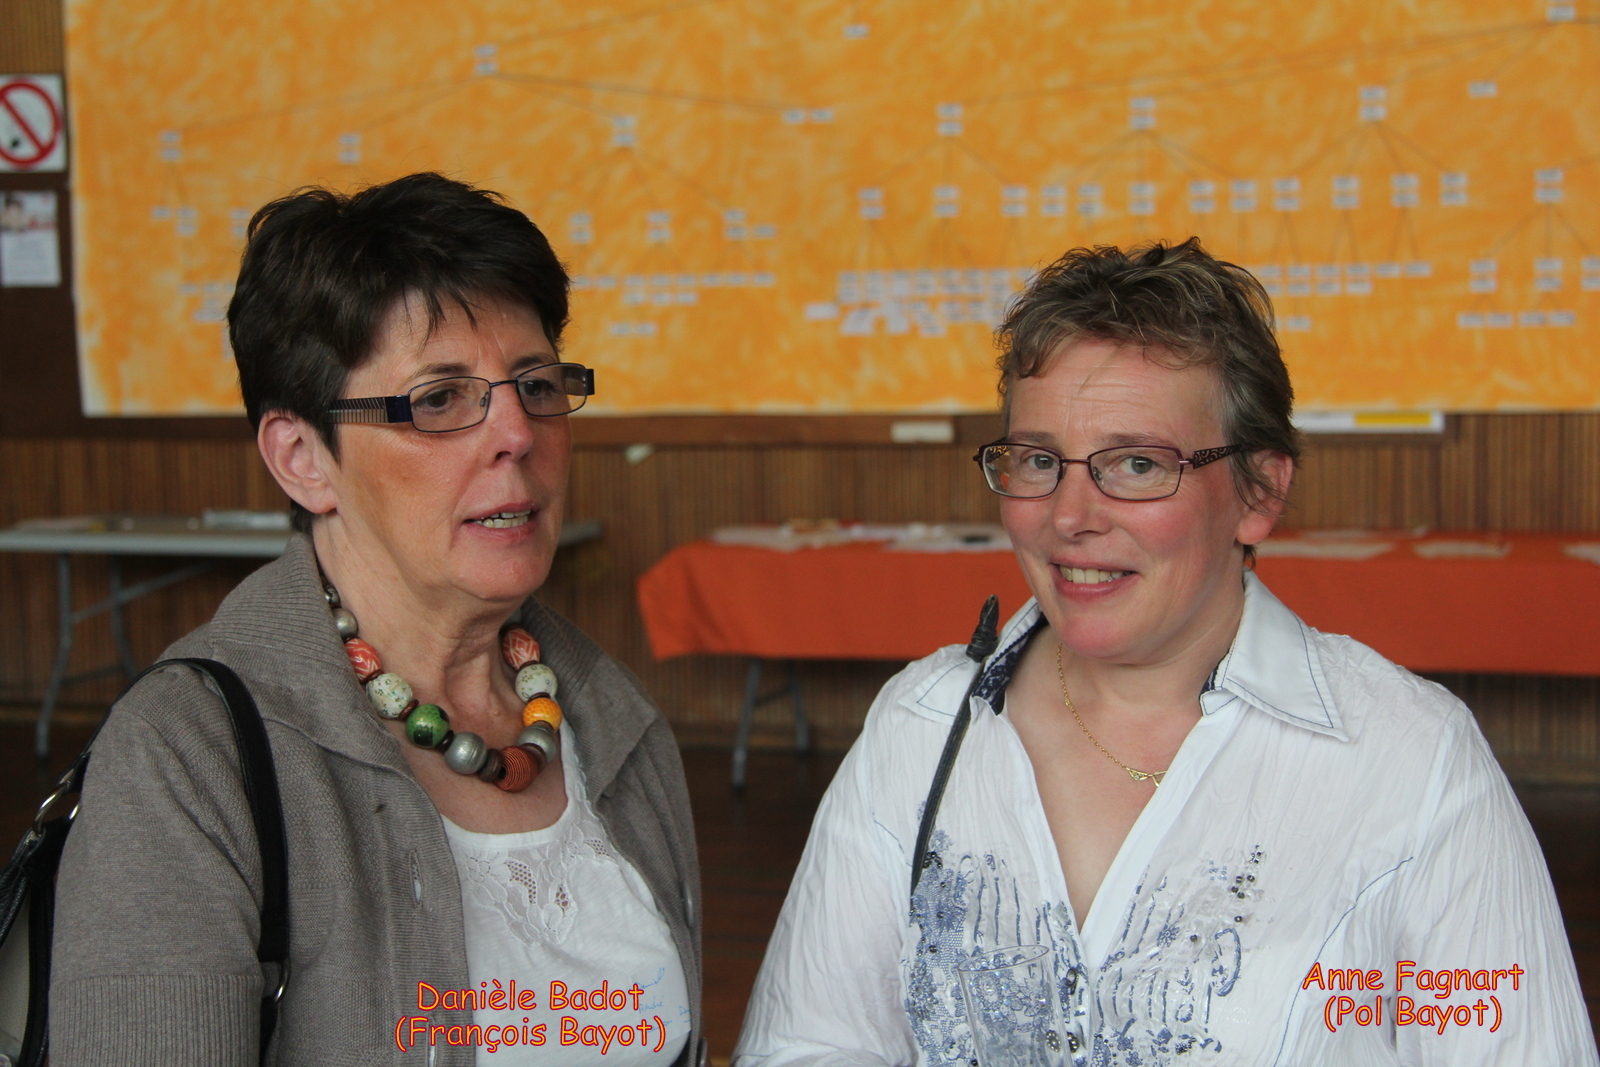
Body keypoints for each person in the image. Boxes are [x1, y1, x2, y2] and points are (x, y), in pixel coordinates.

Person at [734, 238, 1595, 1066]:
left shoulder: (1409, 763)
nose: (1070, 515)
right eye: (1038, 459)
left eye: (1138, 464)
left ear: (1259, 492)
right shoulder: (922, 727)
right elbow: (810, 1042)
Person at [49, 173, 702, 1066]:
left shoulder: (617, 719)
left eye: (537, 383)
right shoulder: (187, 756)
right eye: (440, 398)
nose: (517, 432)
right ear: (303, 459)